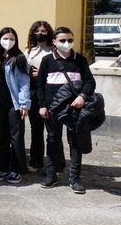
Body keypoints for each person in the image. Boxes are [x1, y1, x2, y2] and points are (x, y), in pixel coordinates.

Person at [37, 26, 96, 194]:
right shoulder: (47, 60)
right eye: (62, 40)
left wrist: (82, 96)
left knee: (75, 142)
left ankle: (75, 177)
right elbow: (40, 84)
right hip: (52, 109)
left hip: (74, 109)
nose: (66, 43)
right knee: (53, 139)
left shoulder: (80, 60)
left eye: (70, 40)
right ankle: (51, 174)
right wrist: (42, 105)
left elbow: (90, 82)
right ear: (54, 42)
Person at [0, 27, 30, 184]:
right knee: (0, 136)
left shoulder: (19, 58)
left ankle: (16, 169)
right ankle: (3, 167)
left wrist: (25, 104)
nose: (8, 41)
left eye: (11, 39)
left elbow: (24, 82)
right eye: (5, 38)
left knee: (16, 137)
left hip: (14, 104)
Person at [25, 20, 55, 171]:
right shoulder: (29, 51)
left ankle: (54, 162)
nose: (40, 33)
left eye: (43, 31)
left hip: (49, 93)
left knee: (52, 131)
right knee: (36, 129)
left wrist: (41, 74)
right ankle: (36, 161)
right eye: (37, 31)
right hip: (32, 92)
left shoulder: (53, 50)